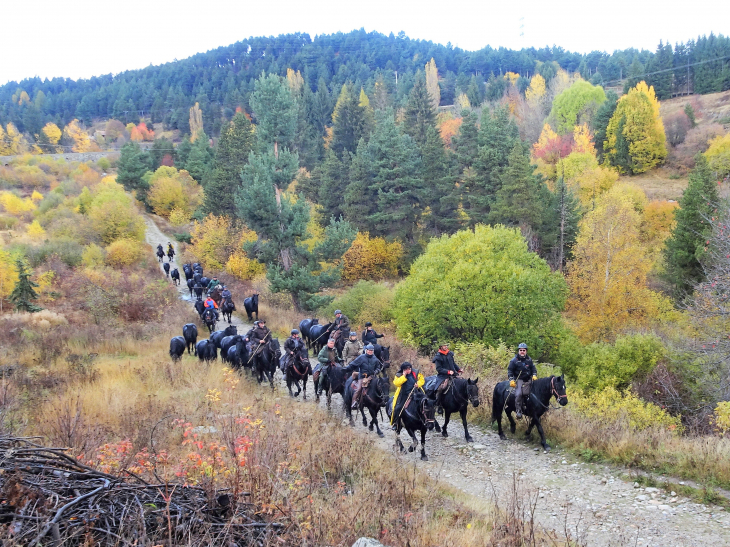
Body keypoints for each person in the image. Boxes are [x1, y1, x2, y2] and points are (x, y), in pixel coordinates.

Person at [344, 344, 382, 410]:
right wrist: (346, 369)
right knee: (359, 389)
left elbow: (378, 368)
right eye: (369, 350)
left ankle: (381, 400)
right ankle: (354, 402)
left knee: (379, 386)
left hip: (372, 377)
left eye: (371, 351)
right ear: (366, 350)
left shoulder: (375, 359)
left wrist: (376, 371)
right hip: (362, 376)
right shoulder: (361, 357)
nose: (370, 352)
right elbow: (353, 364)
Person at [508, 343, 537, 419]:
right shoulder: (514, 361)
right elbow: (510, 371)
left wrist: (534, 375)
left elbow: (533, 369)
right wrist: (511, 380)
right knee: (519, 394)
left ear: (526, 351)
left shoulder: (529, 360)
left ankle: (534, 410)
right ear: (518, 351)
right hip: (519, 380)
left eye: (524, 350)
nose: (522, 352)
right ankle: (518, 411)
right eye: (520, 350)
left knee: (535, 393)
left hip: (528, 380)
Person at [391, 362, 425, 428]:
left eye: (409, 369)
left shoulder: (416, 373)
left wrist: (418, 384)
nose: (408, 370)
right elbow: (396, 383)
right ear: (403, 370)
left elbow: (422, 380)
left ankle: (428, 420)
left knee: (426, 404)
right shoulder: (399, 375)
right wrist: (403, 376)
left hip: (416, 392)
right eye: (406, 369)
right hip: (405, 394)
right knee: (398, 408)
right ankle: (396, 423)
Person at [431, 343, 463, 413]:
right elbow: (439, 369)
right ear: (441, 347)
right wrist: (448, 372)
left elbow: (453, 364)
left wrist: (458, 369)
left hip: (453, 374)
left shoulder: (449, 354)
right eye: (444, 346)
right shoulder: (438, 357)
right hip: (443, 376)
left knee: (463, 383)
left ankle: (461, 403)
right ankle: (438, 405)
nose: (445, 347)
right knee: (440, 388)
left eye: (446, 345)